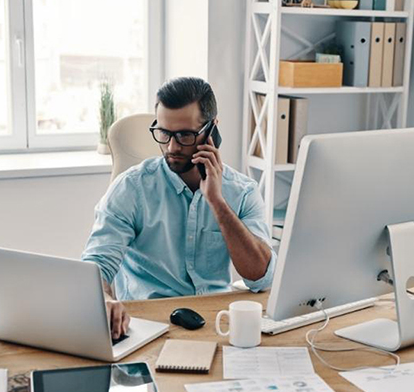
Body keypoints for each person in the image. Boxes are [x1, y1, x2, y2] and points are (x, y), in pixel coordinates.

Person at [82, 77, 276, 339]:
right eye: (163, 133)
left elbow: (260, 278)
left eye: (185, 135)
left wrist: (217, 203)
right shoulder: (131, 188)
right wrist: (102, 299)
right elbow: (96, 264)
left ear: (212, 130)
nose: (171, 147)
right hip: (148, 326)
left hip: (215, 324)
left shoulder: (242, 191)